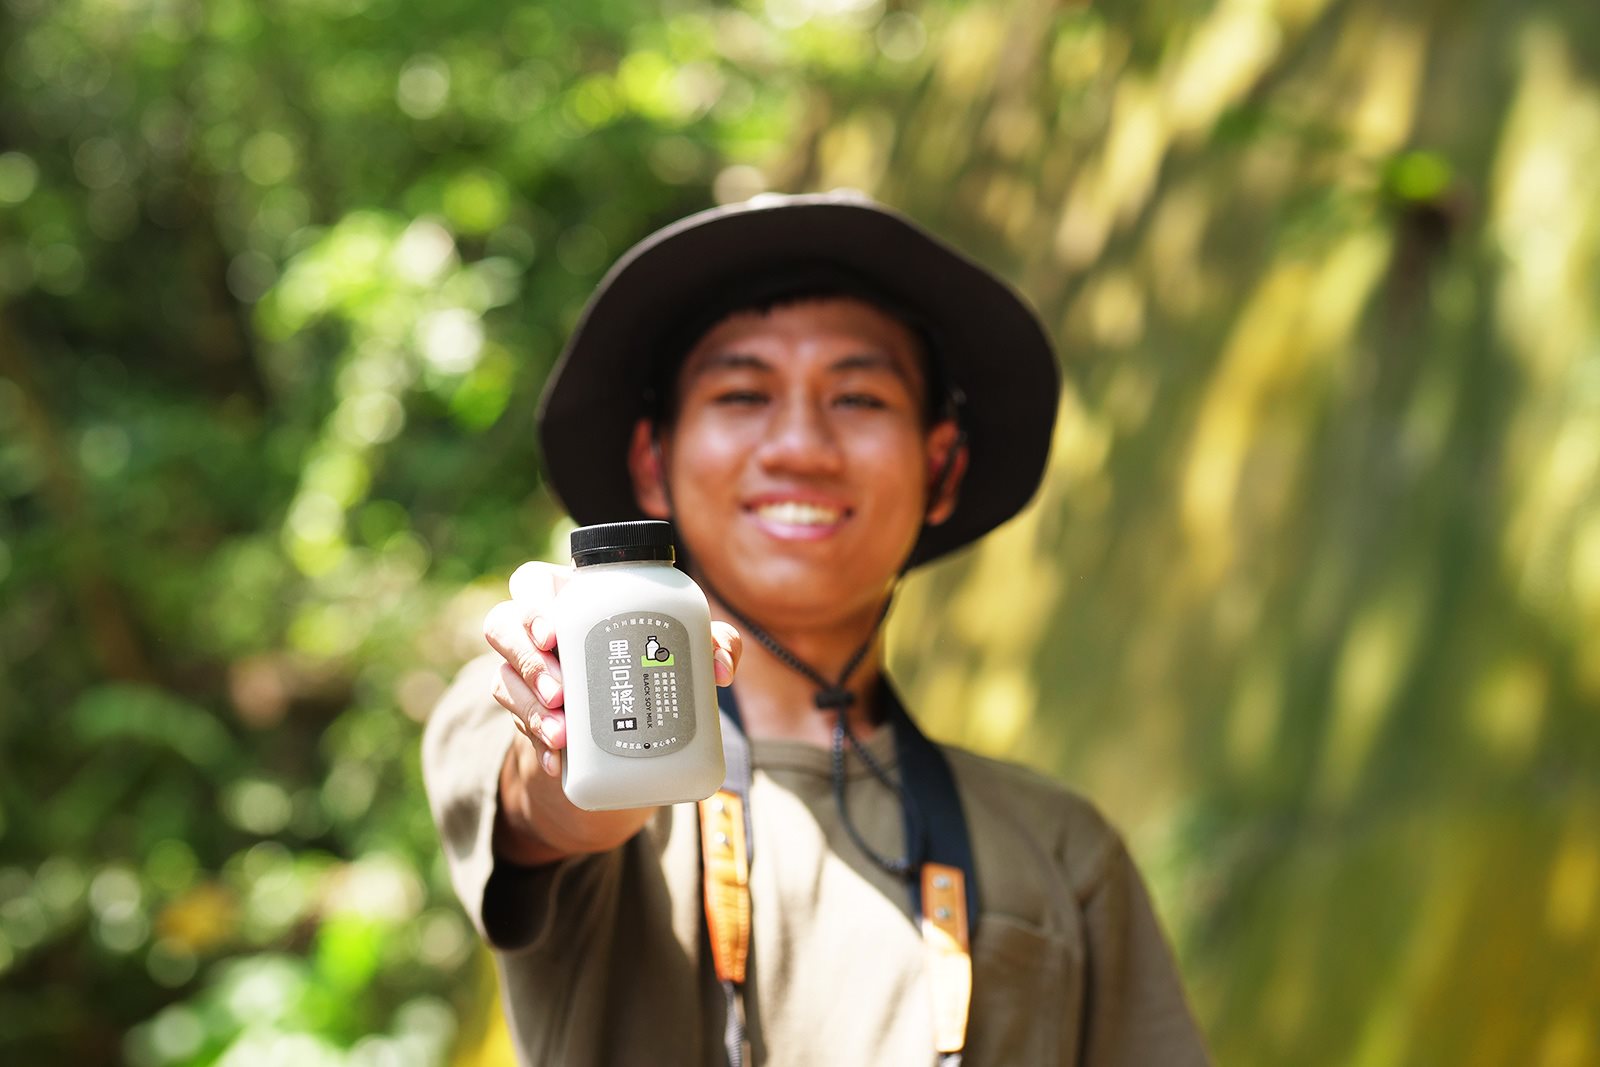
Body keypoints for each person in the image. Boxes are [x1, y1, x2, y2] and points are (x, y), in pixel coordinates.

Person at [423, 191, 1211, 1066]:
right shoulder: (542, 720)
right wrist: (575, 716)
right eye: (742, 393)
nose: (800, 444)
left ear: (940, 464)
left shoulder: (1062, 851)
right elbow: (555, 802)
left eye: (859, 397)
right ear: (653, 461)